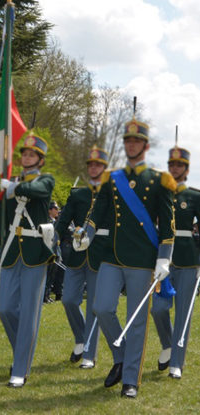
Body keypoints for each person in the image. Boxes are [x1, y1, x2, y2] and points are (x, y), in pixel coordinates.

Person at [73, 117, 175, 398]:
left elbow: (168, 225)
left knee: (137, 320)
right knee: (101, 307)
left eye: (136, 141)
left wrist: (164, 257)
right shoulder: (112, 177)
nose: (131, 145)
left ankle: (131, 379)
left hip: (143, 259)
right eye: (128, 141)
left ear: (145, 145)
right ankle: (120, 357)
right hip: (112, 255)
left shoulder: (159, 180)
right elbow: (98, 210)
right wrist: (87, 233)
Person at [0, 133, 55, 387]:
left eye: (32, 155)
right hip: (10, 251)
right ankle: (23, 351)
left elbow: (39, 191)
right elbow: (2, 222)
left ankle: (20, 369)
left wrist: (13, 187)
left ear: (40, 160)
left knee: (29, 312)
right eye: (24, 154)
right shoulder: (11, 184)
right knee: (4, 309)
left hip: (34, 253)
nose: (26, 157)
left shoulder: (45, 179)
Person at [55, 146, 110, 369]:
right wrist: (55, 236)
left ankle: (89, 353)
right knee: (68, 299)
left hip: (100, 255)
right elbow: (63, 218)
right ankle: (80, 338)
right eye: (91, 165)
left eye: (98, 165)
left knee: (94, 306)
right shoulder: (78, 193)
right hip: (77, 255)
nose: (93, 168)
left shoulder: (111, 194)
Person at [150, 145, 200, 380]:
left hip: (188, 260)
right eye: (171, 164)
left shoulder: (193, 196)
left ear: (186, 169)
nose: (175, 168)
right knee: (158, 308)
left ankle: (176, 363)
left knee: (183, 313)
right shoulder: (160, 193)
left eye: (179, 165)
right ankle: (168, 344)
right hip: (162, 258)